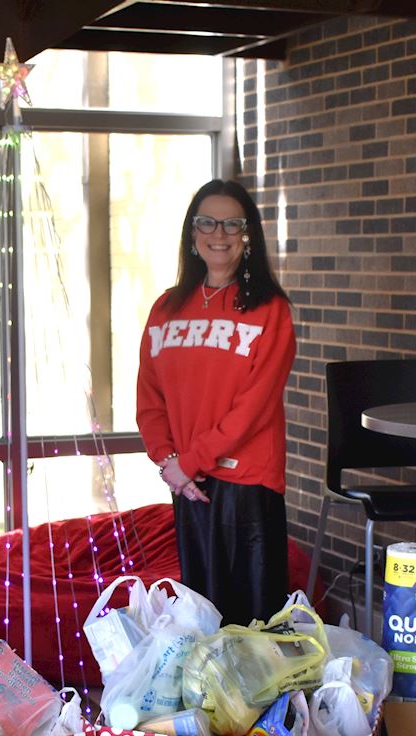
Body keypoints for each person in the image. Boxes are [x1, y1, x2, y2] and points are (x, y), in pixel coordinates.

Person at [135, 179, 296, 626]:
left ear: (248, 235)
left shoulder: (270, 310)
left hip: (247, 483)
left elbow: (255, 405)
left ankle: (259, 700)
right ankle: (210, 698)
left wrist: (190, 461)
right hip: (188, 481)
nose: (218, 233)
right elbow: (149, 397)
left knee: (252, 625)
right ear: (192, 234)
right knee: (200, 617)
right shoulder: (167, 308)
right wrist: (170, 462)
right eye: (207, 222)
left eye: (232, 224)